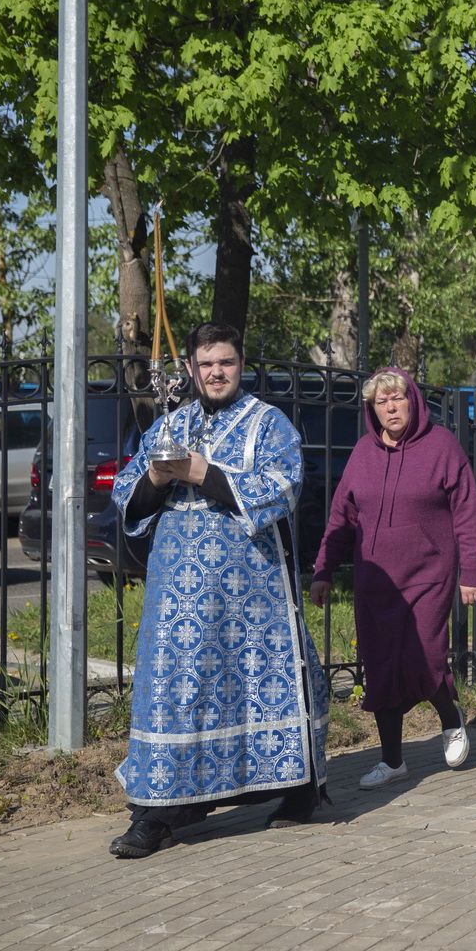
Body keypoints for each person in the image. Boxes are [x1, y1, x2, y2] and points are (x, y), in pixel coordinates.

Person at [106, 323, 332, 858]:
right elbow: (126, 498)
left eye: (225, 363)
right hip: (176, 593)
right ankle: (156, 813)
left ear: (241, 364)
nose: (215, 373)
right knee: (171, 693)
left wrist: (202, 471)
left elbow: (283, 488)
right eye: (206, 364)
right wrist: (160, 480)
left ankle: (298, 788)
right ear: (190, 368)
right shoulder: (171, 423)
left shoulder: (268, 424)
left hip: (251, 594)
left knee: (262, 683)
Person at [309, 368, 476, 789]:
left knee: (424, 653)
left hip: (428, 570)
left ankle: (449, 717)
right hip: (377, 578)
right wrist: (323, 570)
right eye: (381, 401)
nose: (391, 407)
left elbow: (467, 511)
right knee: (381, 661)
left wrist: (472, 570)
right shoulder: (362, 453)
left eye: (397, 398)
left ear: (413, 401)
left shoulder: (441, 446)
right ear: (373, 408)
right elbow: (341, 517)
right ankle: (392, 761)